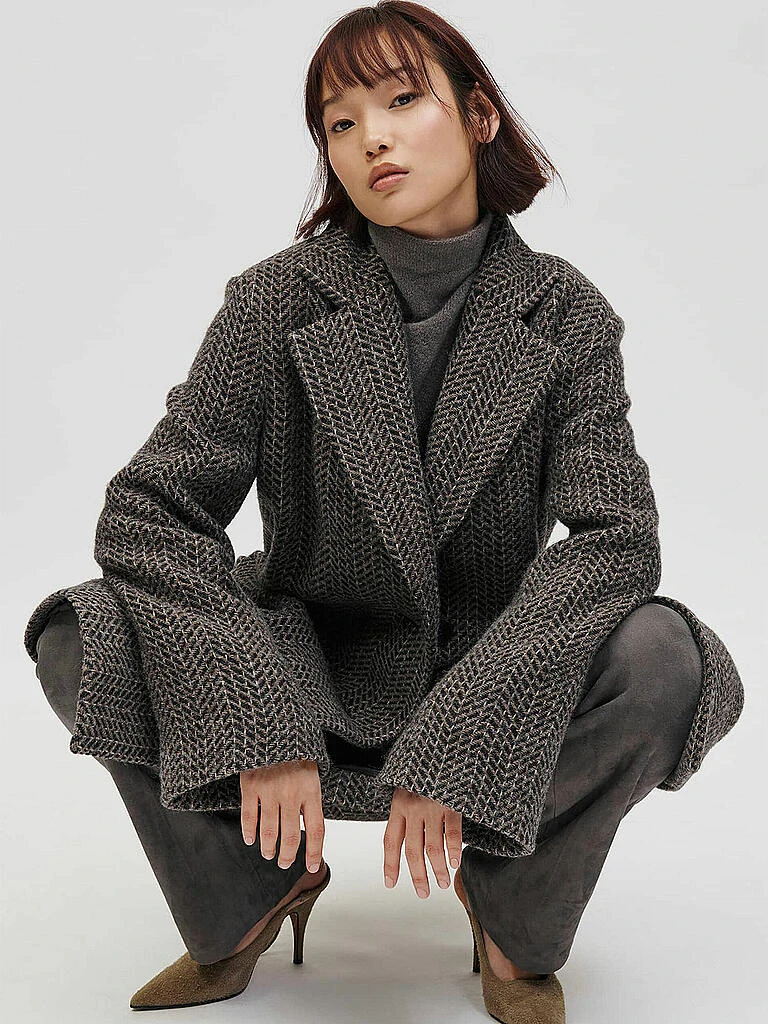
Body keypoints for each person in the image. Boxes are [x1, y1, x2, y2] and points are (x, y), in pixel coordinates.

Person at [27, 3, 744, 1020]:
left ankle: (510, 904)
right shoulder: (275, 302)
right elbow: (152, 512)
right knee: (81, 633)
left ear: (480, 117)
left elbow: (614, 541)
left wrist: (473, 723)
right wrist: (251, 712)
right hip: (303, 664)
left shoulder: (566, 315)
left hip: (489, 665)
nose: (371, 137)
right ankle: (248, 885)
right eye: (339, 121)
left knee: (665, 655)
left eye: (403, 100)